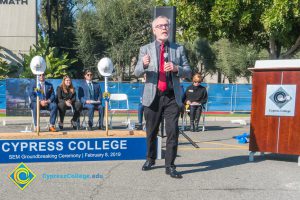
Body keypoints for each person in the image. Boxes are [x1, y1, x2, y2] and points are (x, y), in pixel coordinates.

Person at [134, 16, 191, 179]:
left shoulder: (178, 49)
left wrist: (176, 68)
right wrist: (144, 64)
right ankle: (150, 159)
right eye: (160, 26)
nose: (164, 28)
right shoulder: (145, 49)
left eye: (166, 25)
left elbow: (188, 71)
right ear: (154, 30)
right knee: (151, 132)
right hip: (153, 97)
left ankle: (170, 166)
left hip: (172, 96)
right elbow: (136, 72)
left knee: (173, 132)